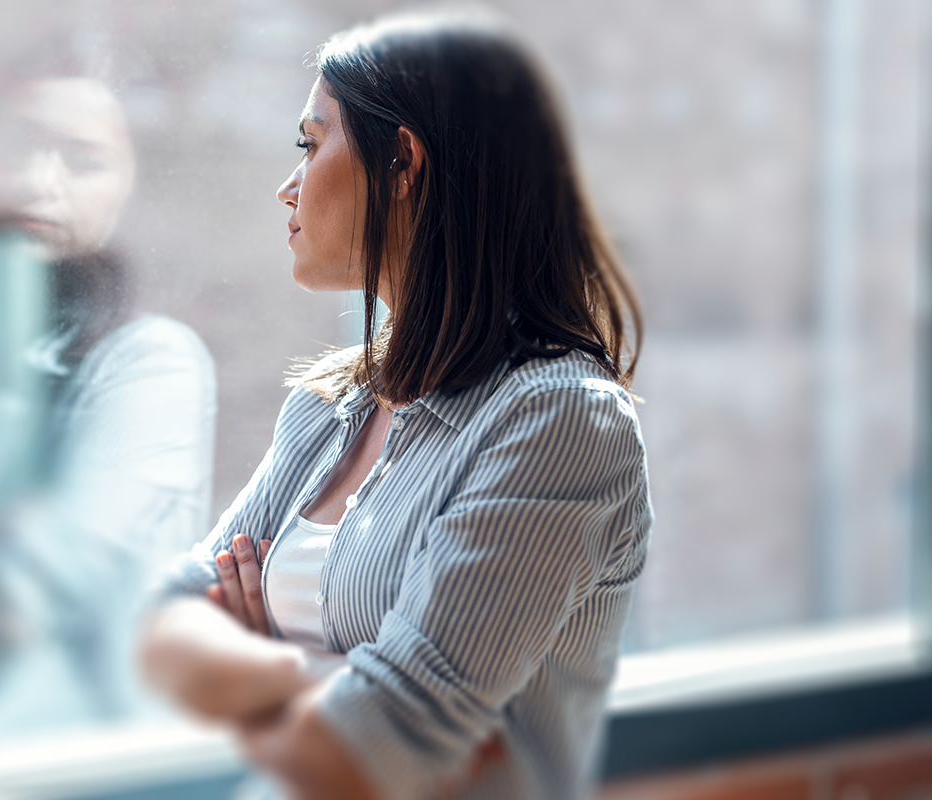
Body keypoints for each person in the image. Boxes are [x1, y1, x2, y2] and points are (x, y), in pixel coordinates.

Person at [141, 11, 650, 800]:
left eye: (310, 145)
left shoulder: (559, 421)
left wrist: (249, 656)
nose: (288, 185)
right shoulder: (328, 409)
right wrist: (313, 676)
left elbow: (383, 742)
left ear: (401, 159)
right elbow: (163, 627)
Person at [0, 71, 217, 736]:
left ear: (130, 190)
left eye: (82, 160)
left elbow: (42, 579)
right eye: (17, 147)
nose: (36, 181)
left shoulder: (151, 363)